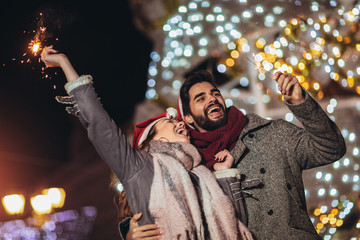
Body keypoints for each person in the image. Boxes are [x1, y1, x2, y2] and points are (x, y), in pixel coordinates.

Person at [40, 46, 253, 240]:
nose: (179, 123)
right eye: (170, 122)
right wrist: (64, 63)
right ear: (154, 138)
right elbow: (98, 123)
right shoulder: (139, 167)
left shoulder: (202, 173)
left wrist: (225, 176)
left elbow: (238, 225)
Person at [126, 69, 346, 240]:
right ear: (188, 118)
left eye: (215, 93)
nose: (212, 99)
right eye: (200, 98)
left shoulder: (272, 133)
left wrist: (301, 103)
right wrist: (131, 232)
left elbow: (331, 148)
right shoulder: (189, 169)